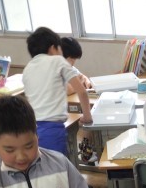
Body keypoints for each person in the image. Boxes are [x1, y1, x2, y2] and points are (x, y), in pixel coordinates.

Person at [22, 27, 93, 156]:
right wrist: (87, 117)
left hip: (31, 129)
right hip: (52, 129)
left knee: (40, 165)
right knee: (57, 165)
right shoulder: (58, 61)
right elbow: (82, 92)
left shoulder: (28, 68)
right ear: (53, 48)